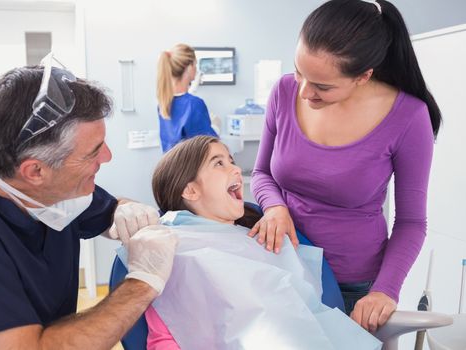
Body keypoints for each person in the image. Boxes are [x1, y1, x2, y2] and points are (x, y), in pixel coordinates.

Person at [0, 54, 177, 350]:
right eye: (93, 152)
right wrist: (142, 282)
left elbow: (109, 209)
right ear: (35, 171)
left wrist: (126, 211)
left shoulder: (49, 192)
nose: (107, 157)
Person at [249, 0, 441, 333]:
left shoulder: (408, 117)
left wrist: (385, 291)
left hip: (353, 284)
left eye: (322, 86)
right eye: (299, 73)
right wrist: (275, 207)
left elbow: (411, 222)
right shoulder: (283, 91)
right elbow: (262, 174)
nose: (305, 92)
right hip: (284, 265)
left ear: (363, 76)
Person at [118, 135, 381, 349]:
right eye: (218, 163)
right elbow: (164, 339)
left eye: (231, 161)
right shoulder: (172, 251)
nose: (235, 168)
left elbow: (302, 317)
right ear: (190, 190)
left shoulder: (257, 239)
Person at [156, 43, 218, 152]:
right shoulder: (195, 104)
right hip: (192, 168)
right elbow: (209, 146)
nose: (196, 68)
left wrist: (191, 90)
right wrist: (216, 126)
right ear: (189, 67)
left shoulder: (163, 104)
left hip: (172, 167)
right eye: (195, 64)